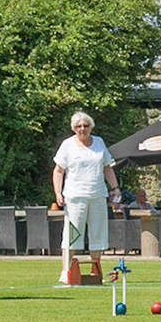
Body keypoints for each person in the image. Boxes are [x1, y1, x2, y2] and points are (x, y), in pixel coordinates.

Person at [52, 111, 120, 285]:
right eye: (79, 126)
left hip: (97, 195)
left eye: (86, 126)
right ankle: (66, 272)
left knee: (98, 234)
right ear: (74, 128)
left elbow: (107, 168)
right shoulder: (67, 145)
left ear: (91, 127)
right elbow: (59, 170)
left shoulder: (99, 143)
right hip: (75, 197)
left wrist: (115, 188)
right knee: (72, 235)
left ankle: (96, 271)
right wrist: (58, 193)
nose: (82, 129)